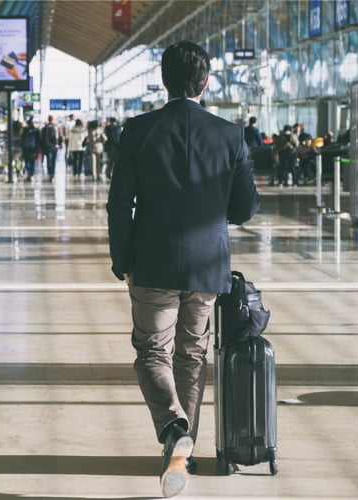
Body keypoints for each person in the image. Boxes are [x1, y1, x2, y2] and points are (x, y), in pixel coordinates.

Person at [107, 41, 259, 498]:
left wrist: (122, 260)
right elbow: (246, 207)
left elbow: (119, 204)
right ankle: (183, 453)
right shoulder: (230, 135)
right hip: (208, 263)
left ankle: (174, 428)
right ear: (206, 82)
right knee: (191, 354)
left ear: (163, 80)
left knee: (153, 352)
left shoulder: (137, 130)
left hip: (151, 261)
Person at [41, 115, 62, 181]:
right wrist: (61, 143)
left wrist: (42, 147)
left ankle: (50, 174)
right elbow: (60, 136)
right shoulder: (57, 127)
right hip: (55, 146)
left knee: (49, 161)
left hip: (47, 147)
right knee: (53, 161)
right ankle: (52, 174)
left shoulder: (45, 128)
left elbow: (42, 138)